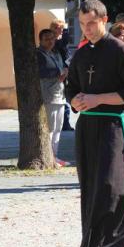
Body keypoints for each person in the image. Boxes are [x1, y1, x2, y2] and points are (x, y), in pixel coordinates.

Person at [66, 0, 124, 247]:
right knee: (90, 187)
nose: (86, 29)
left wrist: (97, 98)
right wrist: (75, 101)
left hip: (115, 128)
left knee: (112, 188)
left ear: (104, 20)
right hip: (87, 128)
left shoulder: (121, 51)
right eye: (82, 24)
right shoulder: (81, 54)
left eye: (91, 23)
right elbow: (72, 88)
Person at [37, 28, 69, 168]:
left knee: (58, 128)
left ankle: (54, 156)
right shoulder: (39, 54)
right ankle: (49, 157)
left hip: (60, 94)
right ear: (41, 40)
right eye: (47, 39)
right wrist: (60, 73)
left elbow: (61, 68)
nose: (50, 41)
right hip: (48, 94)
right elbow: (43, 72)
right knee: (50, 128)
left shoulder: (56, 53)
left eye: (52, 38)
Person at [51, 19, 74, 132]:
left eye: (62, 28)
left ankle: (66, 123)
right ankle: (64, 124)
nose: (61, 31)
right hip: (59, 73)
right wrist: (65, 30)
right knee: (63, 100)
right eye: (59, 28)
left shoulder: (60, 42)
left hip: (65, 71)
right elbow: (65, 39)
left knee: (65, 99)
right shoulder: (55, 42)